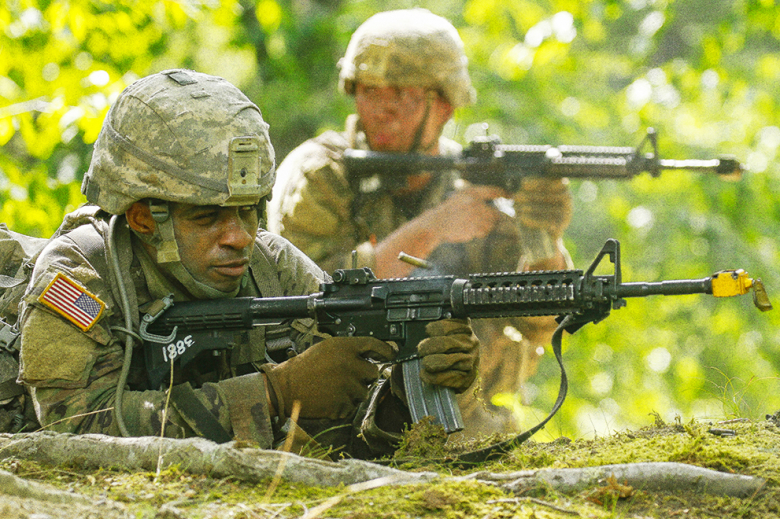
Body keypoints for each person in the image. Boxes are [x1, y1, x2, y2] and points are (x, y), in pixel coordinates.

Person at [16, 69, 480, 459]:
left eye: (249, 210)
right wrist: (274, 393)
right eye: (206, 218)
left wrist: (401, 394)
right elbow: (75, 429)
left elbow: (348, 436)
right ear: (143, 219)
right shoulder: (79, 278)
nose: (239, 237)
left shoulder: (272, 267)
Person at [268, 9, 573, 436]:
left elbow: (542, 326)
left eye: (403, 94)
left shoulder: (473, 182)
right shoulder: (320, 176)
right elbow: (306, 303)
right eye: (369, 91)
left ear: (446, 103)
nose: (383, 108)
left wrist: (543, 241)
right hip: (333, 420)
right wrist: (433, 228)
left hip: (469, 418)